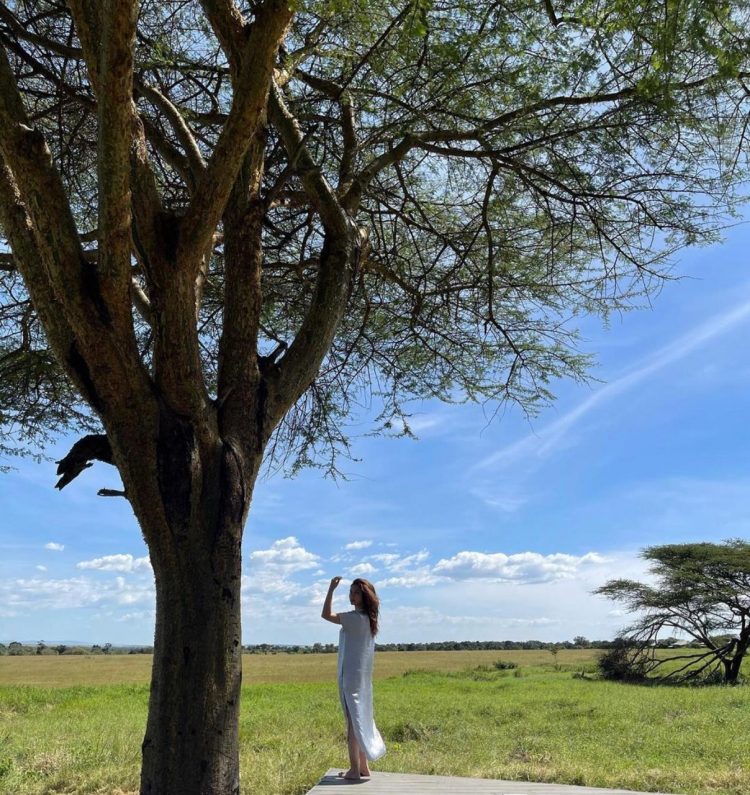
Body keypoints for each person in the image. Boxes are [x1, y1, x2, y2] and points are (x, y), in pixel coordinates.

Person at [322, 576, 386, 780]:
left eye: (356, 592)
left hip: (350, 679)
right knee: (361, 719)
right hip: (363, 680)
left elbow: (325, 615)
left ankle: (353, 770)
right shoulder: (369, 620)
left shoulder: (353, 618)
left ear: (364, 596)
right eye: (350, 592)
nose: (351, 595)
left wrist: (331, 589)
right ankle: (363, 767)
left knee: (352, 725)